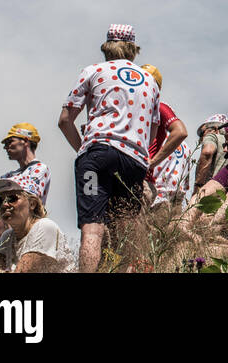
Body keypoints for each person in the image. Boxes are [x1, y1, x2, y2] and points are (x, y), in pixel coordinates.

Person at [57, 24, 160, 273]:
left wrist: (83, 148)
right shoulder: (150, 82)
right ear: (133, 49)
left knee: (93, 227)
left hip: (98, 153)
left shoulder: (93, 71)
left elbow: (64, 120)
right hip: (134, 160)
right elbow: (152, 132)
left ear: (106, 48)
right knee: (127, 228)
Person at [138, 64, 191, 205]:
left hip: (142, 178)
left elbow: (180, 132)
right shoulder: (129, 106)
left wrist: (152, 162)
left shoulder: (159, 107)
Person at [0, 123, 52, 205]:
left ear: (25, 141)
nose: (5, 147)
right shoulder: (8, 176)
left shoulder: (39, 168)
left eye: (10, 141)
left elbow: (30, 198)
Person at [193, 114, 228, 188]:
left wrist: (198, 186)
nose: (201, 138)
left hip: (210, 191)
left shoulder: (212, 136)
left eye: (202, 133)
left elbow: (207, 152)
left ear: (215, 129)